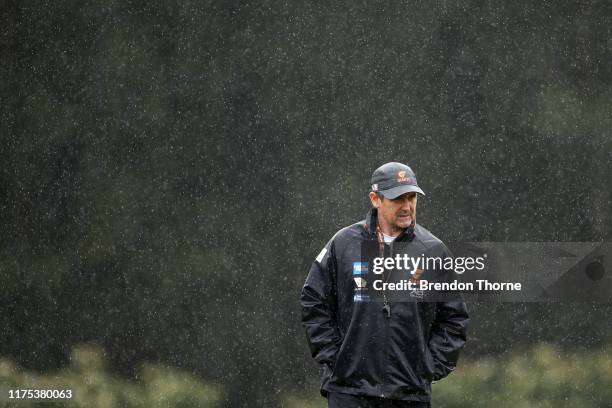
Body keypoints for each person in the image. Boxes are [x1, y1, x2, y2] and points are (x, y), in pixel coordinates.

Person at [300, 162, 469, 408]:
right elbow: (313, 301)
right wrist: (337, 357)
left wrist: (428, 366)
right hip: (349, 392)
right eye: (397, 198)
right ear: (375, 199)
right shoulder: (343, 243)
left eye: (411, 197)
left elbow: (454, 319)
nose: (407, 206)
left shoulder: (433, 250)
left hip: (409, 395)